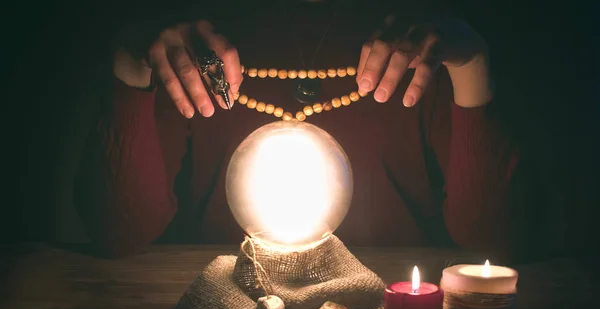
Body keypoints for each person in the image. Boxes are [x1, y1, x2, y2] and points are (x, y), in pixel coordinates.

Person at [73, 0, 519, 259]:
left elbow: (500, 240)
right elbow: (119, 232)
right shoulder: (196, 50)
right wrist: (133, 57)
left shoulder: (419, 46)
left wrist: (472, 63)